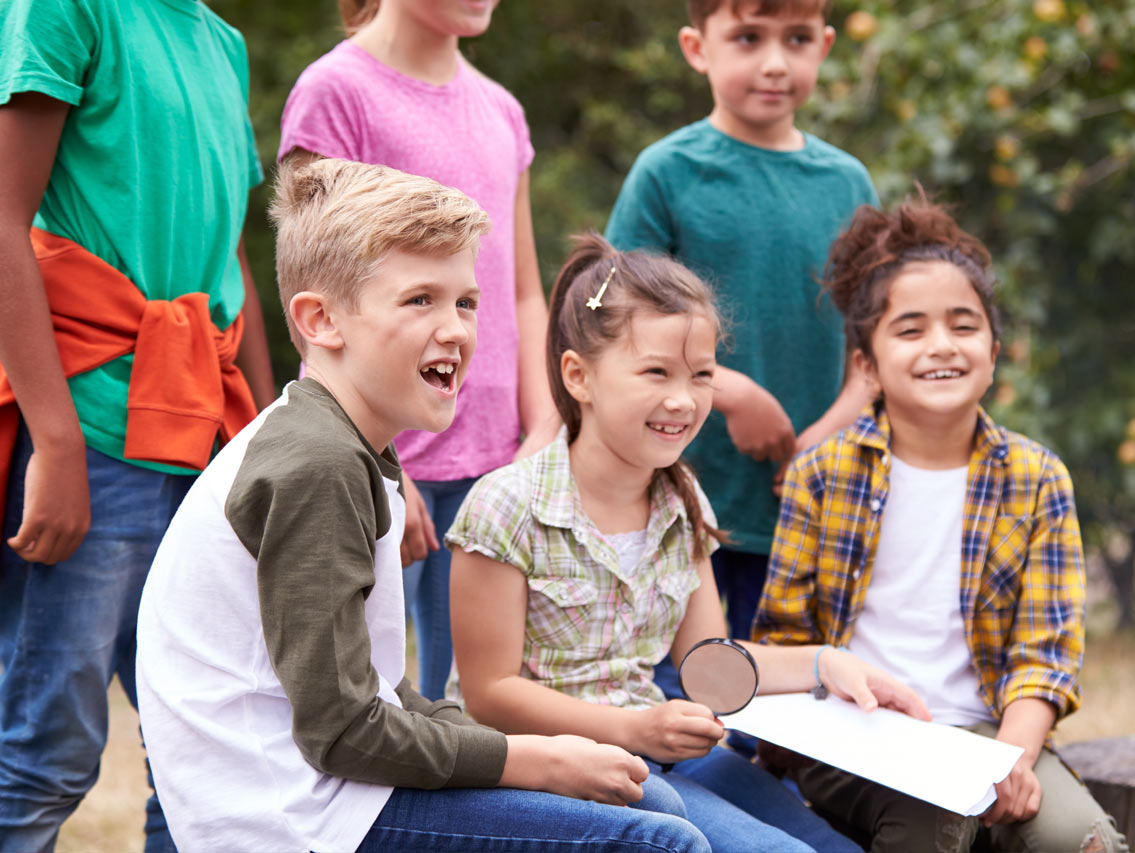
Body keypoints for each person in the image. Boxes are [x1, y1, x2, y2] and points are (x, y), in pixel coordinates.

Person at [134, 159, 709, 853]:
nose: (456, 329)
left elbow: (384, 694)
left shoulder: (348, 444)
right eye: (420, 301)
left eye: (465, 302)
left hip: (332, 790)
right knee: (658, 841)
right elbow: (343, 732)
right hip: (289, 818)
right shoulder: (317, 463)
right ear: (321, 320)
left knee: (655, 796)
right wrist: (540, 759)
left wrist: (548, 749)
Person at [446, 233, 929, 853]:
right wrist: (635, 727)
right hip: (552, 769)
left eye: (702, 375)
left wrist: (823, 664)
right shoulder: (505, 506)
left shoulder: (682, 502)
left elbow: (707, 660)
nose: (683, 399)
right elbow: (489, 696)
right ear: (579, 377)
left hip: (657, 750)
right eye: (655, 372)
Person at [752, 196, 1129, 852]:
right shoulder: (822, 473)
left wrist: (1010, 757)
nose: (941, 347)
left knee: (1082, 840)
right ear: (866, 363)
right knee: (933, 816)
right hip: (855, 737)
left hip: (985, 733)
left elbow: (1046, 656)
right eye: (910, 329)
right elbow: (783, 636)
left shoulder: (1037, 479)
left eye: (963, 325)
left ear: (994, 348)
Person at [0, 0, 274, 848]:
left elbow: (229, 258)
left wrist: (266, 444)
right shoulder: (64, 8)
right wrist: (55, 441)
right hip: (91, 425)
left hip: (203, 439)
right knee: (46, 752)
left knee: (204, 756)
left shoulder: (220, 42)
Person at [279, 0, 559, 700]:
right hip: (387, 466)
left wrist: (544, 428)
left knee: (474, 705)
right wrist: (383, 464)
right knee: (376, 700)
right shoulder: (335, 92)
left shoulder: (502, 110)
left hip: (498, 466)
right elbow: (316, 297)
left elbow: (524, 290)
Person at [605, 0, 877, 652]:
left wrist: (830, 429)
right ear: (699, 48)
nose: (775, 62)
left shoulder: (849, 183)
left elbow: (875, 343)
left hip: (807, 504)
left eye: (798, 39)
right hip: (679, 500)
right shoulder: (666, 173)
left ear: (826, 45)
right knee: (682, 697)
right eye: (749, 38)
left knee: (788, 712)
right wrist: (730, 392)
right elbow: (610, 316)